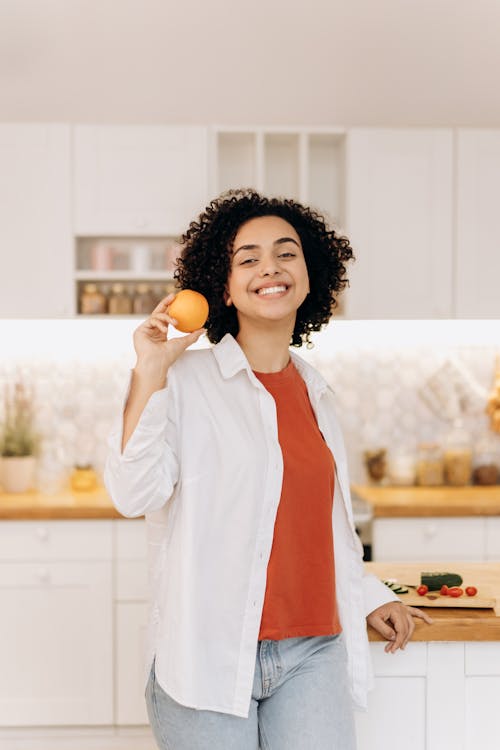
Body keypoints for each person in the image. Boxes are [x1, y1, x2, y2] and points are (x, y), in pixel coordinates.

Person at [104, 189, 432, 750]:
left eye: (286, 253)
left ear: (309, 276)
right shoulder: (184, 382)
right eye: (247, 258)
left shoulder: (317, 393)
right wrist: (150, 371)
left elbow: (322, 528)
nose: (270, 268)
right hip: (206, 653)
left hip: (314, 651)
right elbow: (133, 492)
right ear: (222, 285)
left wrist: (369, 592)